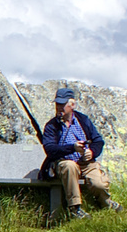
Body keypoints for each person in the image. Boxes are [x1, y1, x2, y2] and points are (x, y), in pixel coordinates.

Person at [39, 87, 114, 219]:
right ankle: (75, 208)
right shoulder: (51, 126)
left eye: (63, 105)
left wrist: (92, 152)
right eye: (57, 105)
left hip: (85, 163)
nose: (59, 108)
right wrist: (72, 147)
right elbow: (50, 150)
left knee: (98, 183)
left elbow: (98, 141)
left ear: (72, 105)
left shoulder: (83, 120)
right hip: (63, 162)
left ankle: (105, 202)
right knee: (69, 166)